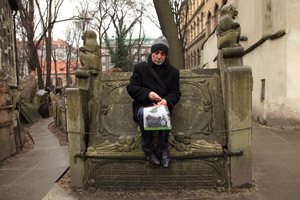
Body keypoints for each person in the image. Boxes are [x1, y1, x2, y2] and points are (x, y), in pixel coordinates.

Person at [127, 36, 181, 168]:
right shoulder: (140, 68)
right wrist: (148, 94)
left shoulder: (173, 71)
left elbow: (176, 92)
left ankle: (160, 150)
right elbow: (131, 88)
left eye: (162, 54)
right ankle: (151, 150)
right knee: (147, 114)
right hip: (143, 105)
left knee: (163, 113)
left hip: (162, 106)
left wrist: (166, 101)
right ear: (152, 53)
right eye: (156, 53)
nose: (159, 56)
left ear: (166, 56)